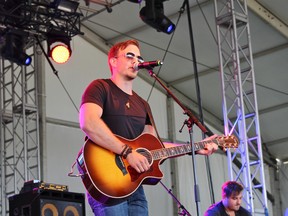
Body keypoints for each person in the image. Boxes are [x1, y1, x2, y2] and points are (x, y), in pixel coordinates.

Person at [78, 39, 219, 216]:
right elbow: (88, 122)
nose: (135, 60)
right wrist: (128, 152)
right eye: (129, 56)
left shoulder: (143, 104)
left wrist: (196, 148)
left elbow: (155, 148)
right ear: (113, 61)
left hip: (134, 186)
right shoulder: (100, 87)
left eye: (138, 57)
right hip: (107, 184)